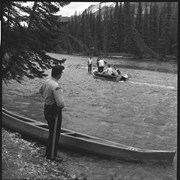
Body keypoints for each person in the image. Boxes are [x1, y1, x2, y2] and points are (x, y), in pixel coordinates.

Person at [39, 65, 65, 162]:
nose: (61, 74)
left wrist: (47, 100)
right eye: (61, 73)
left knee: (51, 131)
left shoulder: (46, 81)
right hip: (55, 111)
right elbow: (60, 103)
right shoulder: (55, 86)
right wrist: (61, 106)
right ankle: (52, 156)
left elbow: (40, 91)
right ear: (59, 74)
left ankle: (48, 152)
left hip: (47, 108)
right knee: (55, 133)